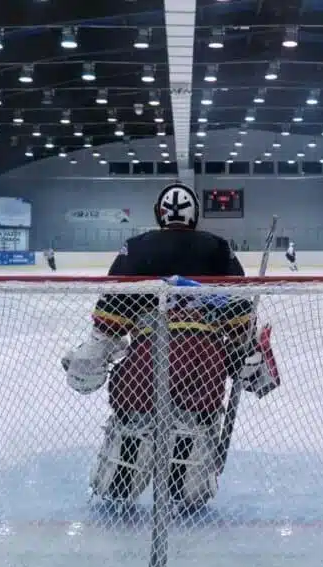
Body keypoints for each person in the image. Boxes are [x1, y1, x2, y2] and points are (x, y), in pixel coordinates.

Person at [60, 182, 280, 510]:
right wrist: (248, 360)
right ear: (196, 216)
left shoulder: (135, 248)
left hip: (144, 366)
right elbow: (239, 327)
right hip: (202, 369)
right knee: (190, 468)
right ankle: (184, 486)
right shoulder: (220, 249)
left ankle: (122, 487)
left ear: (159, 214)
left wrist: (89, 360)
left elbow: (108, 324)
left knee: (127, 455)